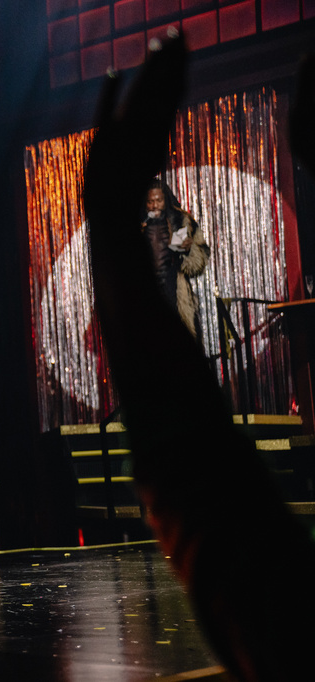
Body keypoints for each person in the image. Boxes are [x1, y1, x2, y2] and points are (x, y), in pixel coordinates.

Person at [83, 31, 315, 682]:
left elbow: (221, 521)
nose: (154, 204)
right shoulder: (142, 224)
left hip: (169, 309)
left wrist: (115, 219)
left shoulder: (182, 225)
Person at [140, 178, 209, 338]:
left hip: (174, 291)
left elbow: (199, 263)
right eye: (150, 201)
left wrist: (189, 249)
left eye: (158, 200)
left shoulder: (182, 222)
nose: (154, 205)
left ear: (166, 200)